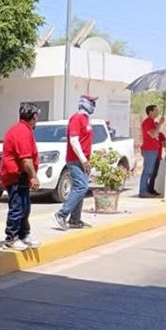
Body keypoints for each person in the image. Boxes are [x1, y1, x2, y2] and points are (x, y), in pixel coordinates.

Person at [0, 103, 41, 251]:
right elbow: (25, 159)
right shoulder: (22, 131)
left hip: (21, 176)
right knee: (17, 207)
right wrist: (34, 177)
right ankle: (12, 236)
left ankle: (24, 234)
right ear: (34, 116)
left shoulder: (24, 130)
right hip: (16, 175)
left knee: (25, 207)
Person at [53, 95, 98, 230]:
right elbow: (74, 140)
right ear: (85, 103)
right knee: (81, 187)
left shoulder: (85, 119)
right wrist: (83, 160)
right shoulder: (77, 119)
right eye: (92, 103)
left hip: (83, 160)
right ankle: (61, 214)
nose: (94, 106)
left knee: (79, 188)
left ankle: (75, 219)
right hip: (76, 160)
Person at [140, 104, 165, 197]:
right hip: (149, 149)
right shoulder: (147, 122)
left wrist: (159, 124)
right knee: (147, 171)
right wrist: (160, 124)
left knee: (151, 171)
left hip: (154, 149)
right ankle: (143, 191)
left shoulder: (153, 122)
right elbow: (153, 134)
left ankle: (148, 190)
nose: (157, 112)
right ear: (150, 112)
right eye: (155, 110)